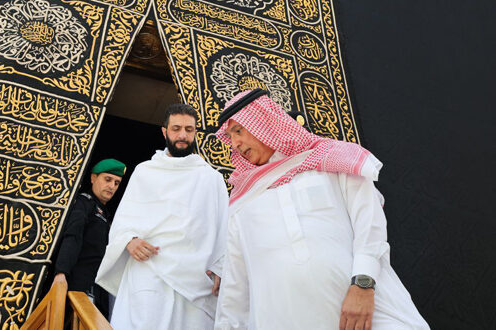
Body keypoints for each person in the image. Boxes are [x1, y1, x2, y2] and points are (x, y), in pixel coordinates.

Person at [213, 89, 429, 330]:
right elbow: (235, 286)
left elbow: (369, 224)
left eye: (239, 131)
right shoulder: (243, 200)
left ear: (263, 121)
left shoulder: (331, 160)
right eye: (230, 136)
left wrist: (363, 284)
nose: (235, 143)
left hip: (362, 312)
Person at [95, 104, 229, 330]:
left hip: (195, 281)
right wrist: (130, 240)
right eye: (176, 128)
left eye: (189, 129)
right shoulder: (144, 171)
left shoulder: (211, 178)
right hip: (149, 272)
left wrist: (221, 267)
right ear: (164, 132)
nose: (183, 135)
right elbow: (123, 220)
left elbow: (225, 226)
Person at [50, 158, 126, 318]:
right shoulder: (83, 203)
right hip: (78, 289)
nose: (112, 186)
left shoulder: (107, 215)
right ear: (93, 178)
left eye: (117, 183)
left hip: (98, 291)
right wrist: (61, 273)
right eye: (108, 179)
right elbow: (73, 237)